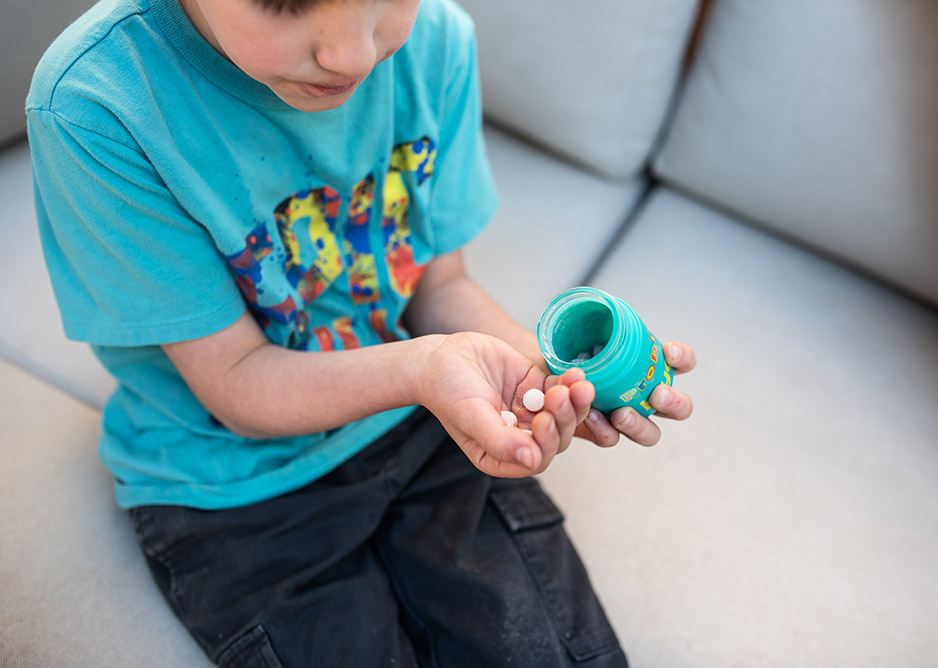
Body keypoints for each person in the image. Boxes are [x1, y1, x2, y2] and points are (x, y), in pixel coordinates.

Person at [27, 0, 696, 665]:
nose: (353, 55)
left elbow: (438, 289)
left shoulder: (434, 44)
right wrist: (421, 370)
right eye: (285, 2)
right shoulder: (98, 102)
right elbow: (234, 380)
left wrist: (544, 372)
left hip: (422, 418)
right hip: (233, 486)